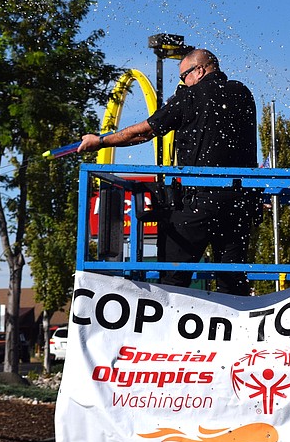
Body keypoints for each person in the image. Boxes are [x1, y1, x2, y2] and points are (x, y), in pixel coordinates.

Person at [78, 48, 258, 295]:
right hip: (239, 201)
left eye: (184, 76)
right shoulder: (242, 93)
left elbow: (144, 131)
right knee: (232, 279)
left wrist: (101, 141)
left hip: (199, 201)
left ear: (200, 70)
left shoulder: (190, 98)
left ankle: (170, 328)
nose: (182, 82)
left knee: (173, 281)